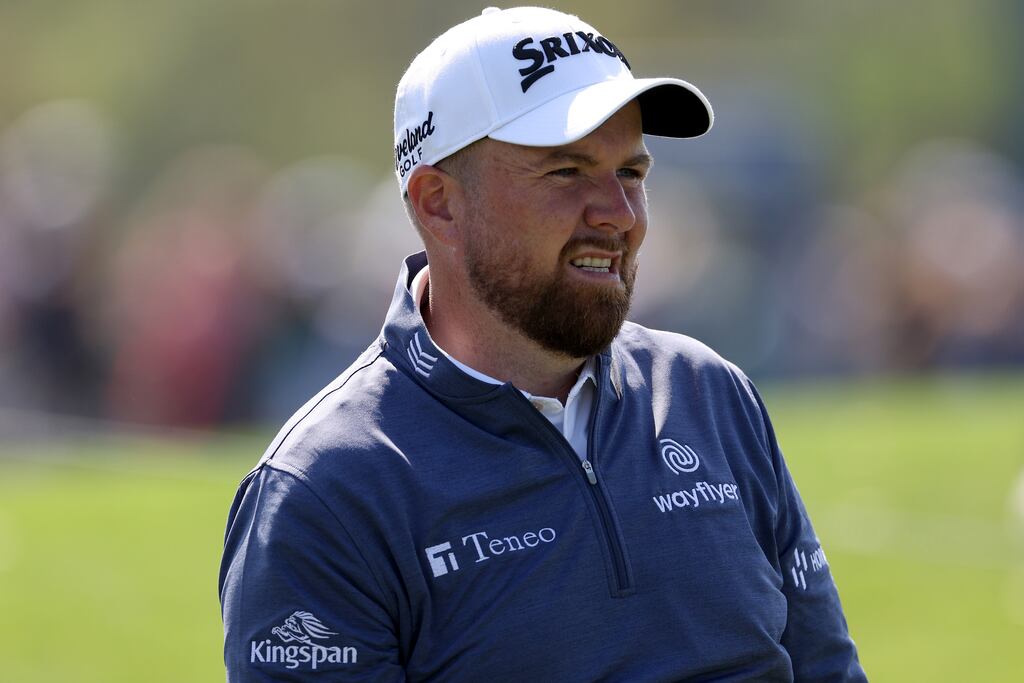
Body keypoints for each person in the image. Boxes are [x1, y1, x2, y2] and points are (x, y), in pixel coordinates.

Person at [219, 7, 866, 681]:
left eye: (633, 173)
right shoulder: (327, 489)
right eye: (566, 172)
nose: (618, 213)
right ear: (438, 202)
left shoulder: (710, 394)